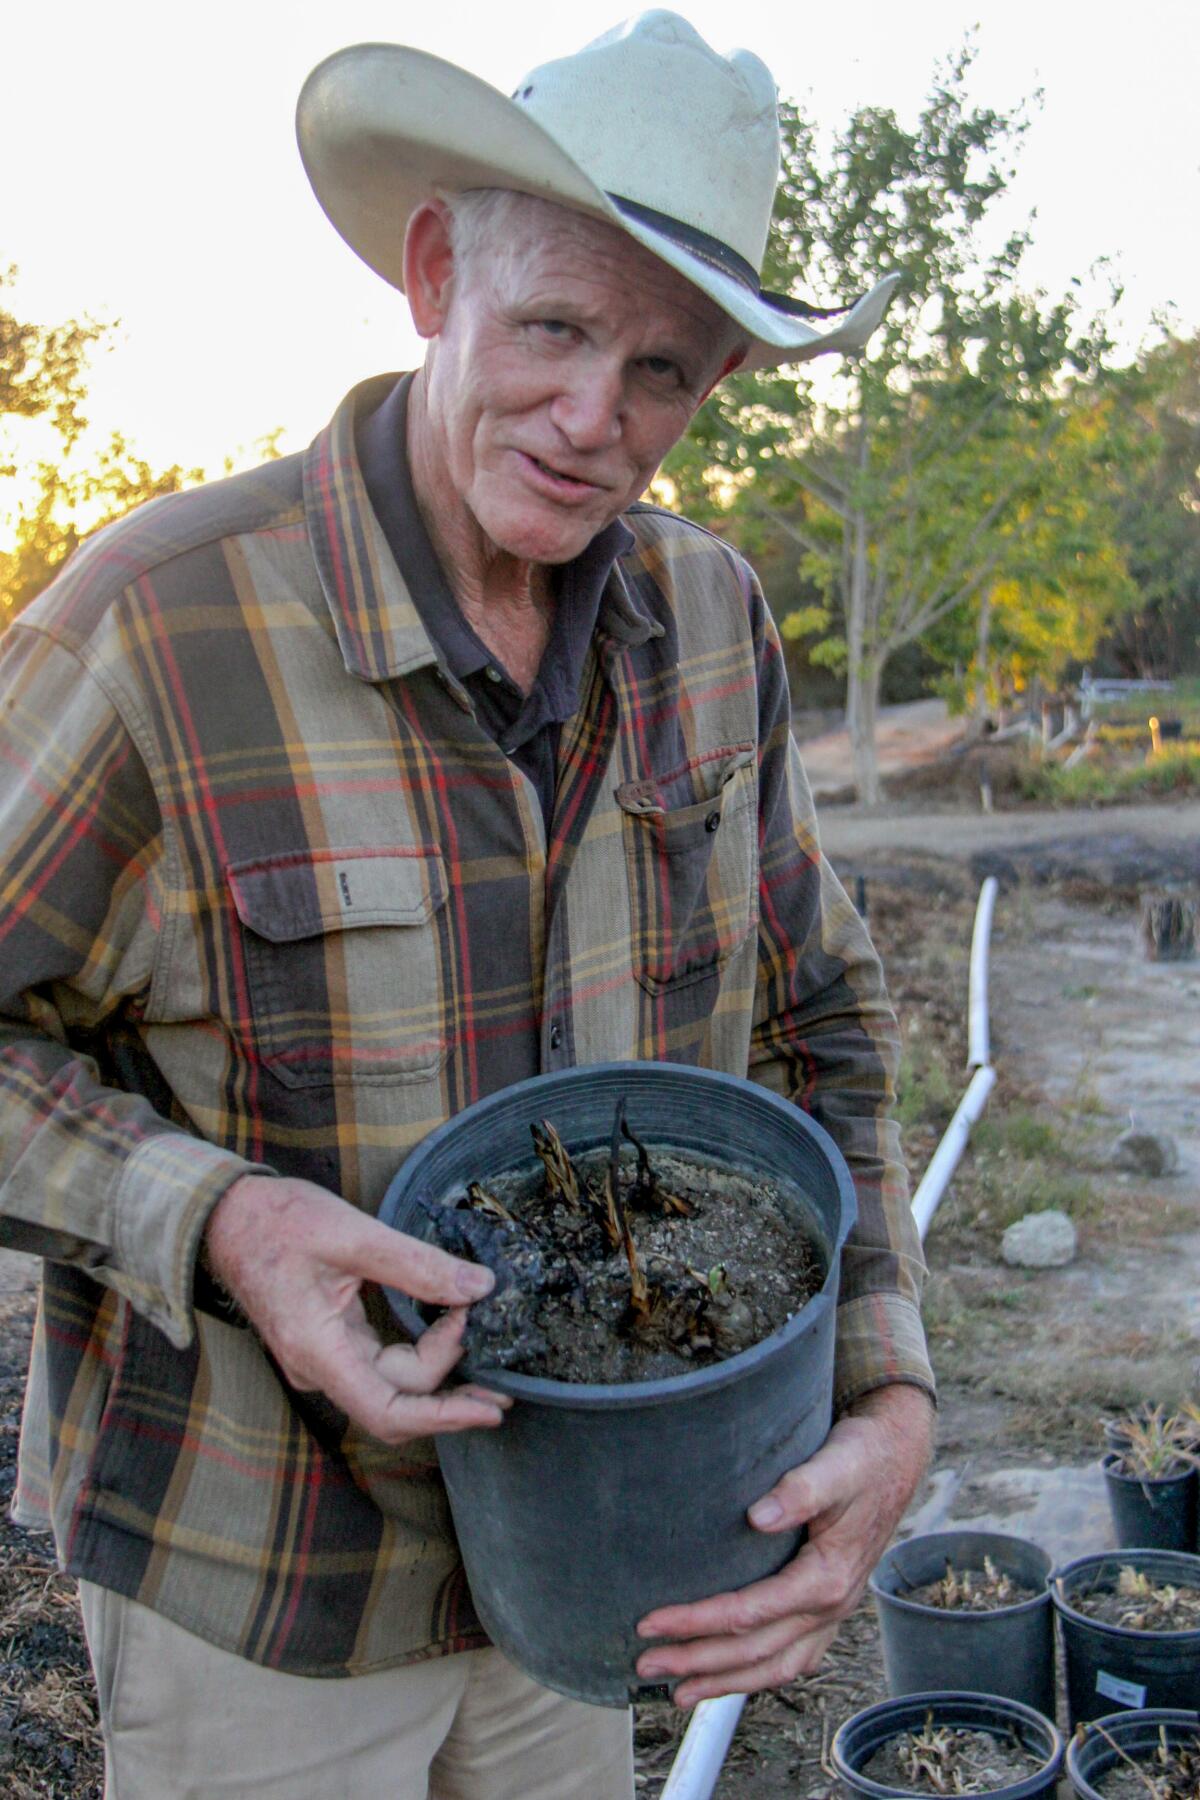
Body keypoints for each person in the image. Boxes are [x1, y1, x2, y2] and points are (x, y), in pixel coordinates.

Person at [0, 12, 934, 1797]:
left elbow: (826, 1020)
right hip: (263, 1584)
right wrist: (219, 1220)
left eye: (664, 369)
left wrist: (886, 1393)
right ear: (438, 273)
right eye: (556, 328)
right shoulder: (157, 632)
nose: (597, 422)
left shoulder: (714, 625)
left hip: (599, 1571)